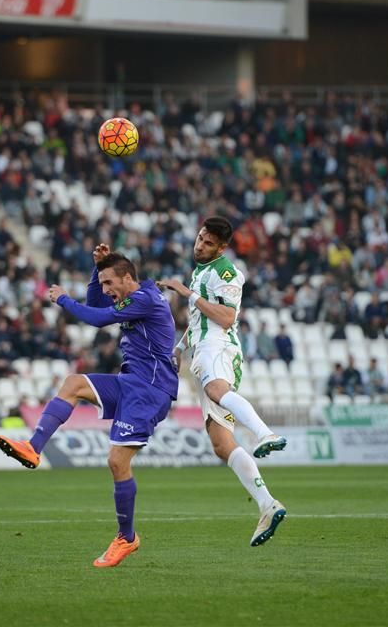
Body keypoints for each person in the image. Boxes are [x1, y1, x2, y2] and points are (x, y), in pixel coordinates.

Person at [0, 246, 178, 568]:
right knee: (73, 383)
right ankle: (33, 447)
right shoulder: (130, 297)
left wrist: (64, 299)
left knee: (116, 461)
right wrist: (96, 271)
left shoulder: (145, 299)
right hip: (129, 382)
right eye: (104, 284)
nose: (106, 291)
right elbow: (96, 305)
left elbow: (96, 318)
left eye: (110, 283)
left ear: (127, 277)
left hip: (150, 390)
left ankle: (127, 537)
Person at [162, 216, 288, 547]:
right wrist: (179, 348)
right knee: (220, 443)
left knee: (217, 390)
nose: (199, 245)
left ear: (222, 248)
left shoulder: (227, 273)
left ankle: (265, 433)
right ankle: (267, 504)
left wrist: (186, 292)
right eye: (200, 238)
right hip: (201, 350)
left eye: (207, 243)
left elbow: (226, 317)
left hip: (218, 348)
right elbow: (199, 319)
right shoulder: (201, 272)